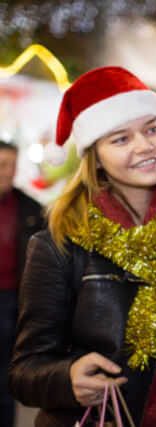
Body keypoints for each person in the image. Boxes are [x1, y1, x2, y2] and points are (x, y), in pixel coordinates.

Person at [8, 66, 156, 426]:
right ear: (95, 156)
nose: (145, 145)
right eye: (120, 139)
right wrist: (67, 378)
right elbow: (25, 370)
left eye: (153, 128)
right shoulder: (60, 243)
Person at [0, 140, 45, 427]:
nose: (8, 171)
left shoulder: (30, 207)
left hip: (12, 302)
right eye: (2, 164)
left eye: (13, 164)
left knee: (6, 378)